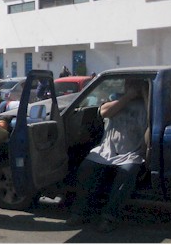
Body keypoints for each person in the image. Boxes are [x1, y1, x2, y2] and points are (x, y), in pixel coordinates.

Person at [66, 78, 149, 233]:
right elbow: (104, 112)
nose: (131, 87)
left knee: (127, 173)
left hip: (131, 153)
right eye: (129, 84)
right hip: (106, 150)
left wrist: (144, 94)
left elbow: (152, 124)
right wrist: (127, 97)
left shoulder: (148, 105)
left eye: (135, 85)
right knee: (87, 168)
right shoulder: (115, 99)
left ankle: (109, 217)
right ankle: (80, 212)